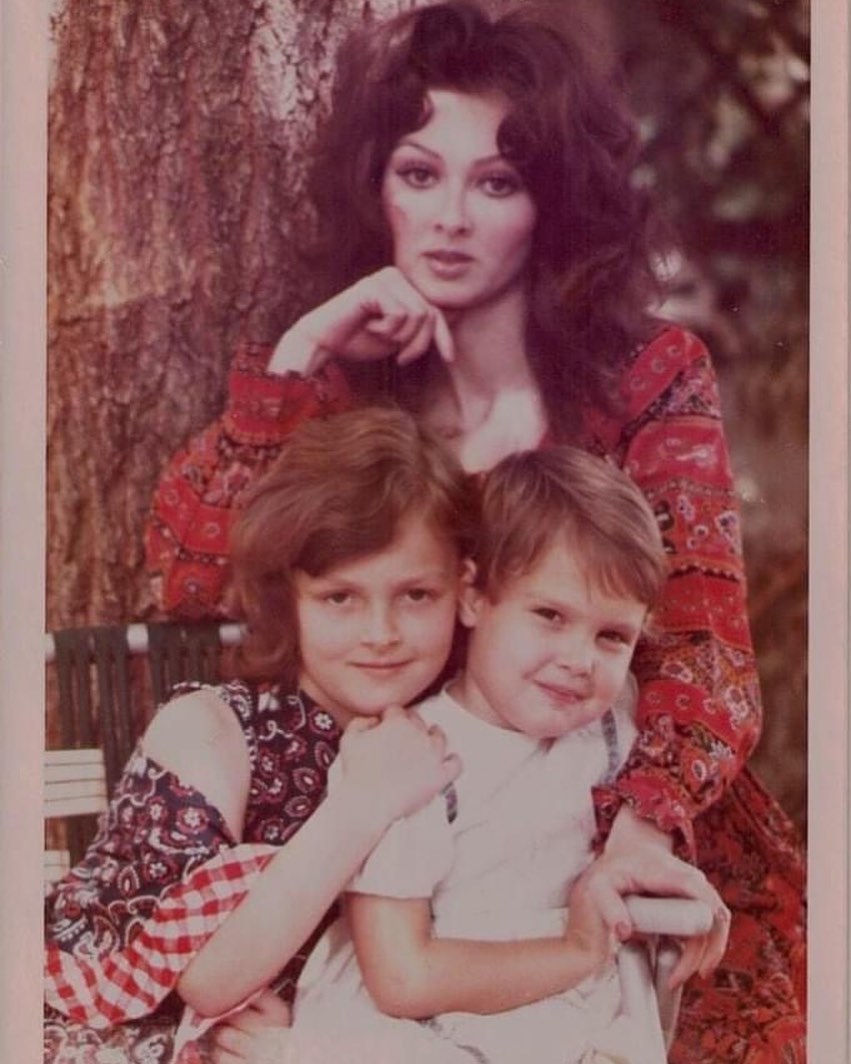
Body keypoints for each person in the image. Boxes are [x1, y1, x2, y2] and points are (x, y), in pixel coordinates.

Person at [144, 3, 806, 1061]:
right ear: (377, 190)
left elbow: (702, 646)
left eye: (495, 181)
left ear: (550, 201)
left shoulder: (644, 379)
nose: (450, 215)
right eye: (418, 173)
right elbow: (185, 582)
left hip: (606, 818)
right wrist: (300, 355)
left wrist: (636, 828)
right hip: (393, 844)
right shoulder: (345, 390)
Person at [44, 408, 472, 1063]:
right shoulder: (214, 732)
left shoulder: (448, 740)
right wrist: (362, 804)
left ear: (464, 592)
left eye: (415, 595)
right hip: (98, 1024)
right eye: (339, 598)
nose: (381, 631)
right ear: (286, 599)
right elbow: (204, 980)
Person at [284, 444, 702, 1064]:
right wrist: (577, 951)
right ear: (474, 597)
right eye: (549, 615)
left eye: (611, 636)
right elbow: (401, 980)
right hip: (425, 1015)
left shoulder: (612, 729)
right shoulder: (413, 758)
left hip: (562, 1005)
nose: (579, 660)